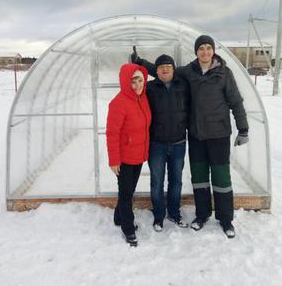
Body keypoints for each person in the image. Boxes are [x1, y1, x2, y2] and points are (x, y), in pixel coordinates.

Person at [132, 35, 249, 238]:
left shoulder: (224, 73)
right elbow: (164, 72)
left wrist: (243, 128)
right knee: (200, 179)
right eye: (201, 48)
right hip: (196, 135)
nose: (205, 51)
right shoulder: (189, 71)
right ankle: (202, 215)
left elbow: (236, 101)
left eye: (208, 48)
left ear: (213, 51)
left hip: (219, 135)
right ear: (196, 51)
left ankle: (225, 219)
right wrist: (141, 63)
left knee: (222, 178)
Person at [106, 63, 151, 246]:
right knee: (126, 194)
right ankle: (128, 228)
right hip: (124, 158)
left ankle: (118, 217)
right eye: (133, 81)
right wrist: (114, 160)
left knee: (127, 191)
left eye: (140, 80)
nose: (138, 85)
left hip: (138, 155)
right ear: (126, 82)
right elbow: (112, 133)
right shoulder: (118, 103)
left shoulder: (143, 99)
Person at [145, 54, 190, 232]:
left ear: (173, 68)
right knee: (157, 182)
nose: (165, 69)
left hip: (179, 143)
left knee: (176, 181)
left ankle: (174, 213)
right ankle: (158, 216)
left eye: (168, 66)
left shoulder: (183, 85)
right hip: (157, 144)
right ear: (156, 71)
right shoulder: (149, 87)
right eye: (161, 66)